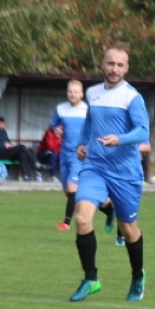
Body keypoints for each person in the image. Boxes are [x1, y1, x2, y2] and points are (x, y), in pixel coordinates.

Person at [69, 43, 150, 302]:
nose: (114, 69)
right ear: (103, 64)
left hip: (125, 172)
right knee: (81, 219)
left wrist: (120, 139)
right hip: (95, 167)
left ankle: (138, 276)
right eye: (110, 63)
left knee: (128, 229)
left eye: (119, 65)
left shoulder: (132, 97)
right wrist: (83, 143)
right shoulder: (92, 93)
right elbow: (89, 124)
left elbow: (143, 132)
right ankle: (91, 278)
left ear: (126, 68)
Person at [50, 80, 119, 236]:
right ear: (67, 93)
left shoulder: (88, 110)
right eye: (70, 91)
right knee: (70, 193)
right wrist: (56, 130)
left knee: (72, 188)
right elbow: (54, 126)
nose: (73, 94)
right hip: (65, 155)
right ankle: (109, 209)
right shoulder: (60, 109)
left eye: (76, 92)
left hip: (80, 155)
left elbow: (97, 129)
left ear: (82, 94)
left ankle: (66, 222)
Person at [0, 115, 39, 180]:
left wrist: (11, 145)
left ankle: (27, 176)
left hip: (6, 152)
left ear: (4, 124)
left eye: (2, 122)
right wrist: (3, 145)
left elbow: (8, 142)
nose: (0, 123)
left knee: (22, 153)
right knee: (21, 147)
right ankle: (35, 163)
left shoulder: (4, 132)